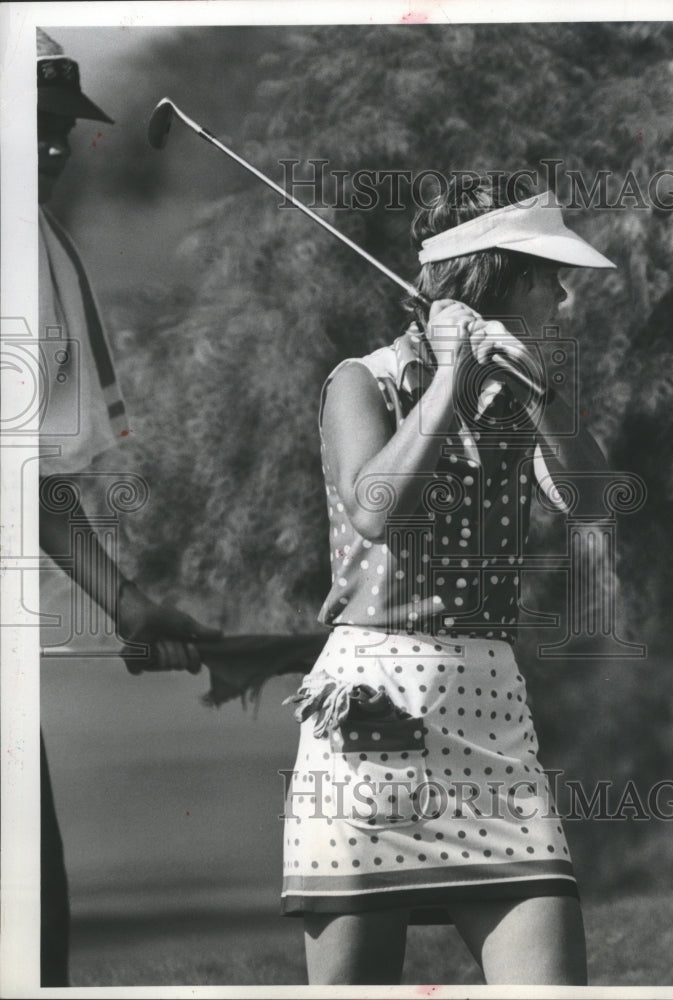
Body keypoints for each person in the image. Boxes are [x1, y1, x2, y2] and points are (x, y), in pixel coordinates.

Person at [281, 175, 615, 985]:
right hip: (369, 721)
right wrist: (445, 381)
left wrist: (539, 391)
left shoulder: (525, 390)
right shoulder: (363, 381)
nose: (564, 295)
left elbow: (594, 500)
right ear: (491, 276)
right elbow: (373, 509)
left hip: (492, 719)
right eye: (546, 274)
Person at [36, 29, 221, 986]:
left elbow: (31, 482)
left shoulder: (38, 249)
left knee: (30, 934)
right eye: (33, 126)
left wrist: (126, 601)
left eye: (63, 127)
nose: (56, 148)